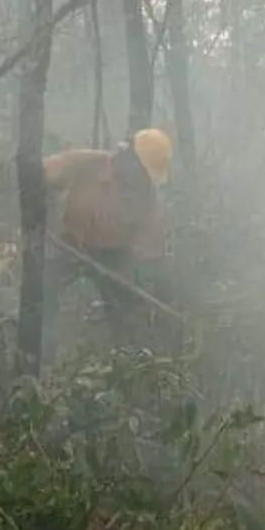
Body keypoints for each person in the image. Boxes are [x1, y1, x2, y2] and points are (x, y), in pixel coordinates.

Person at [40, 128, 172, 360]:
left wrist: (155, 287)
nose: (142, 179)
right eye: (141, 171)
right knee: (43, 288)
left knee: (124, 312)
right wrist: (44, 215)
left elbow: (153, 247)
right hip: (70, 242)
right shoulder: (87, 163)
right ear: (128, 158)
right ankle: (44, 350)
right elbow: (41, 175)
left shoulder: (147, 195)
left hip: (114, 254)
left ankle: (122, 360)